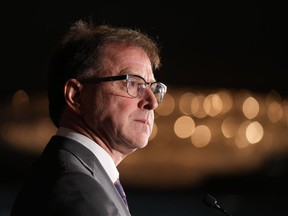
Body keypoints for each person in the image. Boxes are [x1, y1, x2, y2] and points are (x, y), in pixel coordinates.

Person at [10, 19, 167, 216]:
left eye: (153, 88)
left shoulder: (72, 176)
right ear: (76, 96)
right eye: (133, 83)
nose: (152, 102)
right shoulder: (80, 195)